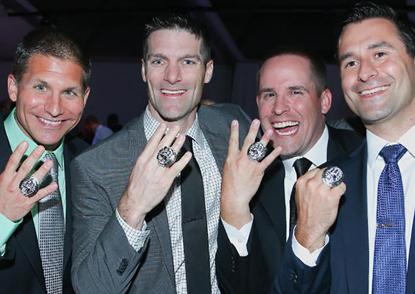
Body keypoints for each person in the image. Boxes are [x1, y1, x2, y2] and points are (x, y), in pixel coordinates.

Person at [70, 14, 250, 293]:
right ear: (144, 70)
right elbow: (91, 288)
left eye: (188, 61)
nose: (172, 76)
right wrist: (132, 208)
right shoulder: (96, 167)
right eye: (158, 61)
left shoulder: (232, 128)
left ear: (209, 70)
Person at [276, 2, 415, 293]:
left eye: (379, 54)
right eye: (350, 62)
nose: (364, 73)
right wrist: (307, 238)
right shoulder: (323, 185)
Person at [216, 50, 363, 293]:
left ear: (324, 101)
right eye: (269, 95)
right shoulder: (247, 175)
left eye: (295, 92)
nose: (279, 108)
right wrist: (234, 210)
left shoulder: (363, 157)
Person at [0, 28, 90, 294]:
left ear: (85, 98)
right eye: (41, 87)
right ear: (13, 87)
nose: (54, 108)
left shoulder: (91, 164)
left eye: (69, 93)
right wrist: (2, 217)